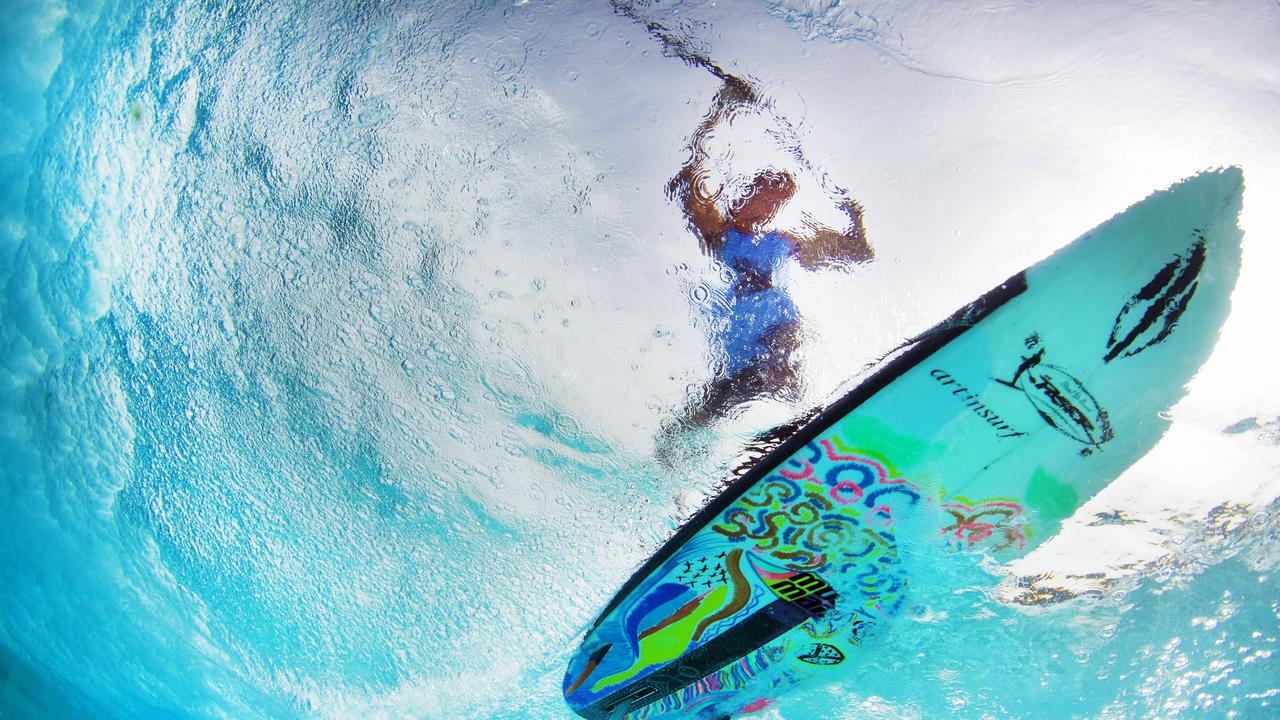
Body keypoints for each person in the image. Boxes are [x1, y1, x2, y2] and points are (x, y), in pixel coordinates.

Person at [665, 84, 874, 432]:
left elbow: (857, 254)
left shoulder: (781, 241)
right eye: (768, 193)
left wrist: (857, 219)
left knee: (792, 379)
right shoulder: (721, 233)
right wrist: (719, 111)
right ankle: (675, 460)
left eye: (779, 201)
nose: (772, 205)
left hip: (783, 333)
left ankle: (812, 429)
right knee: (700, 417)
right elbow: (689, 178)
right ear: (748, 191)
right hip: (740, 352)